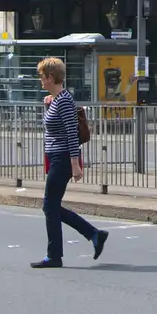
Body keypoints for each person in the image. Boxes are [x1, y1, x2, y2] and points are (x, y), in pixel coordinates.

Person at [31, 57, 108, 268]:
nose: (40, 80)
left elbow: (72, 134)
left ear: (50, 77)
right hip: (56, 157)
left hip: (63, 158)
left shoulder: (64, 101)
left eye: (41, 76)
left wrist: (75, 164)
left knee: (49, 206)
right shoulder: (56, 100)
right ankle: (93, 234)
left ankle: (55, 255)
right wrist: (49, 103)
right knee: (52, 206)